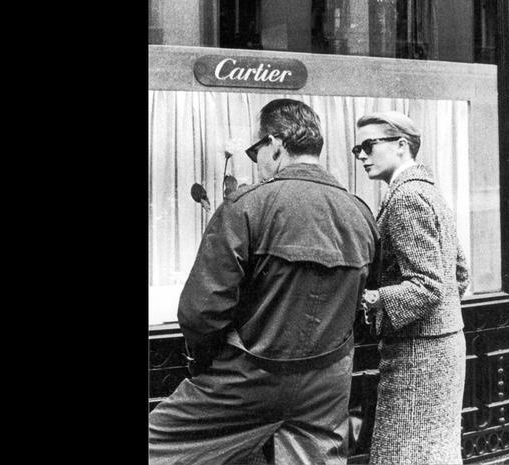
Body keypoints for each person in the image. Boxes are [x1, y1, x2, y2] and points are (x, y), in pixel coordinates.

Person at [149, 98, 380, 465]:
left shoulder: (247, 206)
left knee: (156, 446)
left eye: (256, 150)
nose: (256, 161)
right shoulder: (360, 212)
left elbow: (201, 311)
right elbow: (366, 299)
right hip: (327, 383)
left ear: (275, 144)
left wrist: (209, 366)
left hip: (248, 377)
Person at [355, 111, 470, 465]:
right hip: (442, 346)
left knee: (404, 455)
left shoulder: (406, 198)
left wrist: (375, 298)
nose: (361, 154)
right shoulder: (428, 192)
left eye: (369, 145)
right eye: (357, 147)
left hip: (418, 355)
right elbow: (460, 274)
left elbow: (428, 284)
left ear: (402, 146)